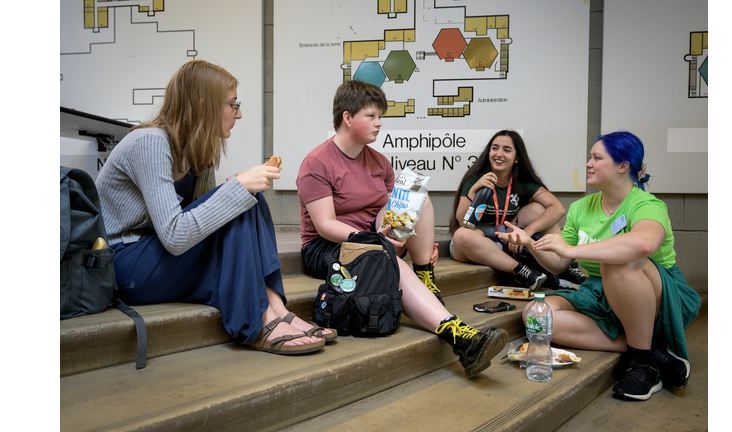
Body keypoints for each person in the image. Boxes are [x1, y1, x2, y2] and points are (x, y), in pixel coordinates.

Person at [95, 60, 335, 356]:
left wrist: (235, 192)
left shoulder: (197, 152)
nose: (239, 113)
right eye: (233, 105)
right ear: (203, 103)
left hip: (157, 255)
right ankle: (258, 320)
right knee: (240, 196)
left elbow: (212, 226)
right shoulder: (151, 142)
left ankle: (274, 307)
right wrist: (235, 190)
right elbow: (176, 236)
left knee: (248, 199)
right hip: (124, 264)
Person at [296, 79, 508, 378]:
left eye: (380, 116)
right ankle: (461, 339)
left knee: (415, 193)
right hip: (327, 246)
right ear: (347, 117)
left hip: (371, 238)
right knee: (385, 260)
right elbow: (326, 225)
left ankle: (425, 274)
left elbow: (393, 212)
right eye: (371, 116)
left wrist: (404, 235)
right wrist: (373, 241)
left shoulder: (379, 162)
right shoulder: (317, 162)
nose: (379, 123)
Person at [497, 131, 701, 400]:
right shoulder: (582, 207)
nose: (588, 164)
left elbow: (643, 244)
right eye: (589, 158)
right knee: (537, 316)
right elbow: (558, 264)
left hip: (657, 294)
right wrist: (530, 244)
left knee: (617, 263)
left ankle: (643, 366)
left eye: (596, 157)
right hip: (600, 291)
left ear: (622, 166)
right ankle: (649, 350)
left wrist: (572, 249)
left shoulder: (647, 205)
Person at [449, 130, 586, 290]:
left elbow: (558, 209)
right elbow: (462, 221)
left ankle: (562, 264)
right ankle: (522, 271)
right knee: (462, 235)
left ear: (517, 158)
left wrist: (527, 232)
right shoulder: (476, 178)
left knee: (539, 209)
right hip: (474, 242)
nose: (499, 154)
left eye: (506, 150)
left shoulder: (521, 181)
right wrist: (474, 190)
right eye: (495, 148)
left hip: (504, 237)